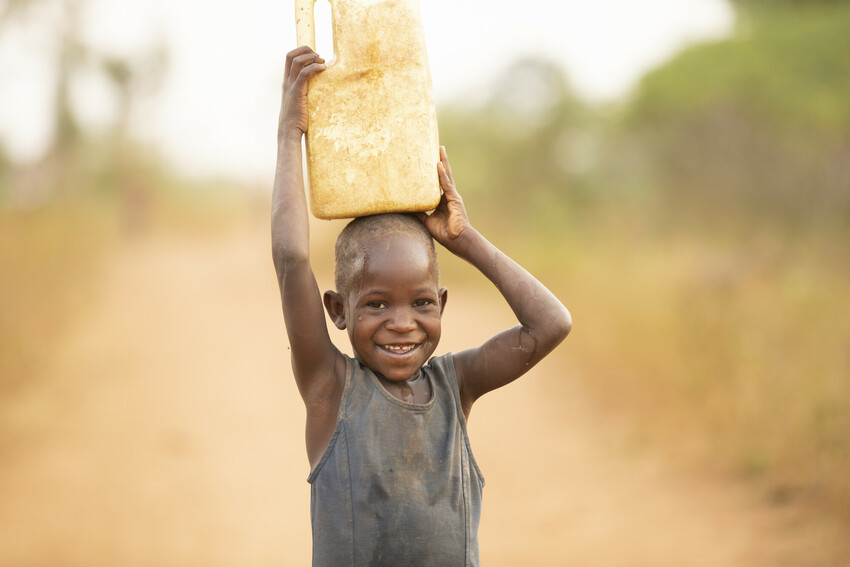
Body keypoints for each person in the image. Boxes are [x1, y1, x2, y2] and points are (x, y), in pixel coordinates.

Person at [272, 46, 572, 567]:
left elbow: (551, 324)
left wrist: (465, 238)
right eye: (377, 304)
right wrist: (289, 135)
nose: (402, 323)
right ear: (337, 311)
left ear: (442, 305)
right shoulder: (330, 389)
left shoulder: (457, 385)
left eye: (422, 302)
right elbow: (292, 257)